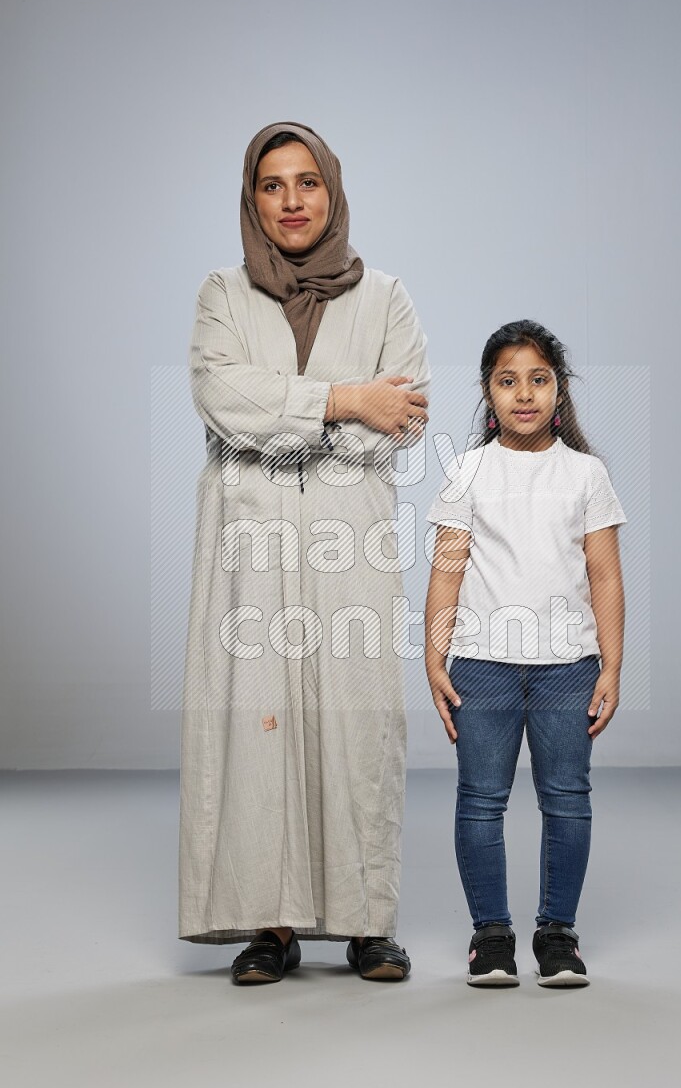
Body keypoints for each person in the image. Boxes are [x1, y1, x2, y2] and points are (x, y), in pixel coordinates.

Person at [179, 122, 430, 985]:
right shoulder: (221, 292)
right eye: (272, 185)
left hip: (345, 540)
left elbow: (399, 427)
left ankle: (368, 923)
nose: (291, 202)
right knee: (258, 721)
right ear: (252, 199)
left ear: (333, 191)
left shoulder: (387, 296)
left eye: (307, 182)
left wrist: (296, 421)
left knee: (358, 718)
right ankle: (270, 923)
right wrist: (345, 399)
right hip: (249, 548)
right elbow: (221, 398)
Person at [423, 320, 626, 988]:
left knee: (567, 798)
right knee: (481, 799)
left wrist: (613, 665)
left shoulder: (586, 474)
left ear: (559, 391)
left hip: (569, 666)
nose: (524, 394)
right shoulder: (468, 470)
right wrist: (434, 658)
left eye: (538, 379)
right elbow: (448, 572)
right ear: (489, 394)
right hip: (482, 665)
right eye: (508, 381)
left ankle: (557, 934)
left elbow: (604, 576)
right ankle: (492, 935)